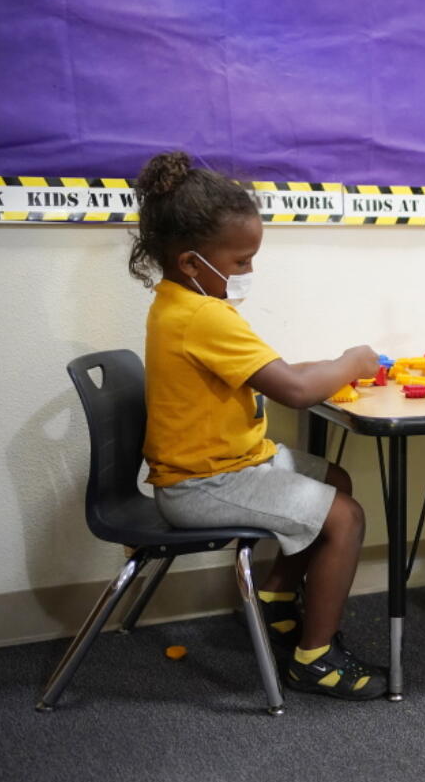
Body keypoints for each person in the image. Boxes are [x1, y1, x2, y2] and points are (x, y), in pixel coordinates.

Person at [129, 151, 386, 700]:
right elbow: (292, 388)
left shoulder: (178, 301)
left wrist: (330, 367)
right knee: (346, 517)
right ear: (194, 262)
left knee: (334, 480)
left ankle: (272, 598)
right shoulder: (205, 315)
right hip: (204, 484)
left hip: (224, 465)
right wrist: (353, 361)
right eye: (242, 261)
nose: (249, 272)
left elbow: (281, 371)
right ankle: (314, 659)